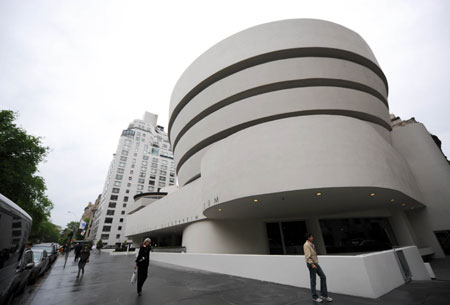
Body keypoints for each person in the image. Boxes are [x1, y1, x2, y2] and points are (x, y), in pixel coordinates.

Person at [304, 233, 333, 303]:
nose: (312, 237)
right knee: (313, 280)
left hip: (315, 263)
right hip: (311, 264)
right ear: (308, 238)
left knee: (323, 276)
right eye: (311, 237)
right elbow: (307, 256)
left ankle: (324, 295)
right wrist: (311, 264)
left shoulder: (311, 244)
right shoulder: (306, 245)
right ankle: (314, 297)